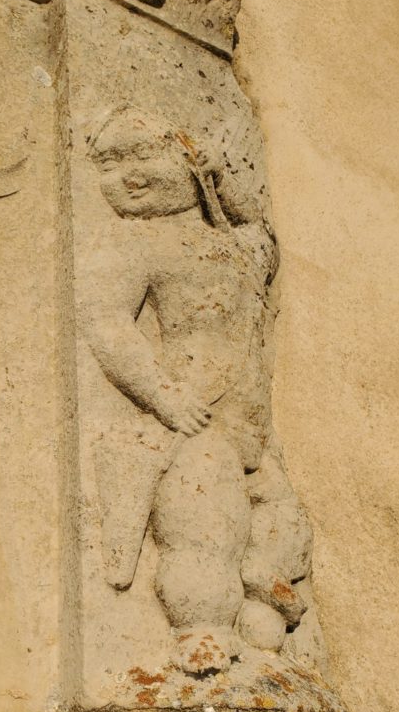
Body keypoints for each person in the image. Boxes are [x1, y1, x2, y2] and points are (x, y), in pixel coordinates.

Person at [78, 106, 313, 673]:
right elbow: (107, 322)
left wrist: (221, 181)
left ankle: (261, 611)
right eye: (109, 163)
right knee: (200, 524)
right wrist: (165, 396)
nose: (127, 175)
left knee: (282, 523)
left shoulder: (234, 246)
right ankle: (200, 635)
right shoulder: (137, 243)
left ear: (188, 162)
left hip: (251, 428)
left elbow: (261, 233)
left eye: (143, 156)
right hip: (196, 416)